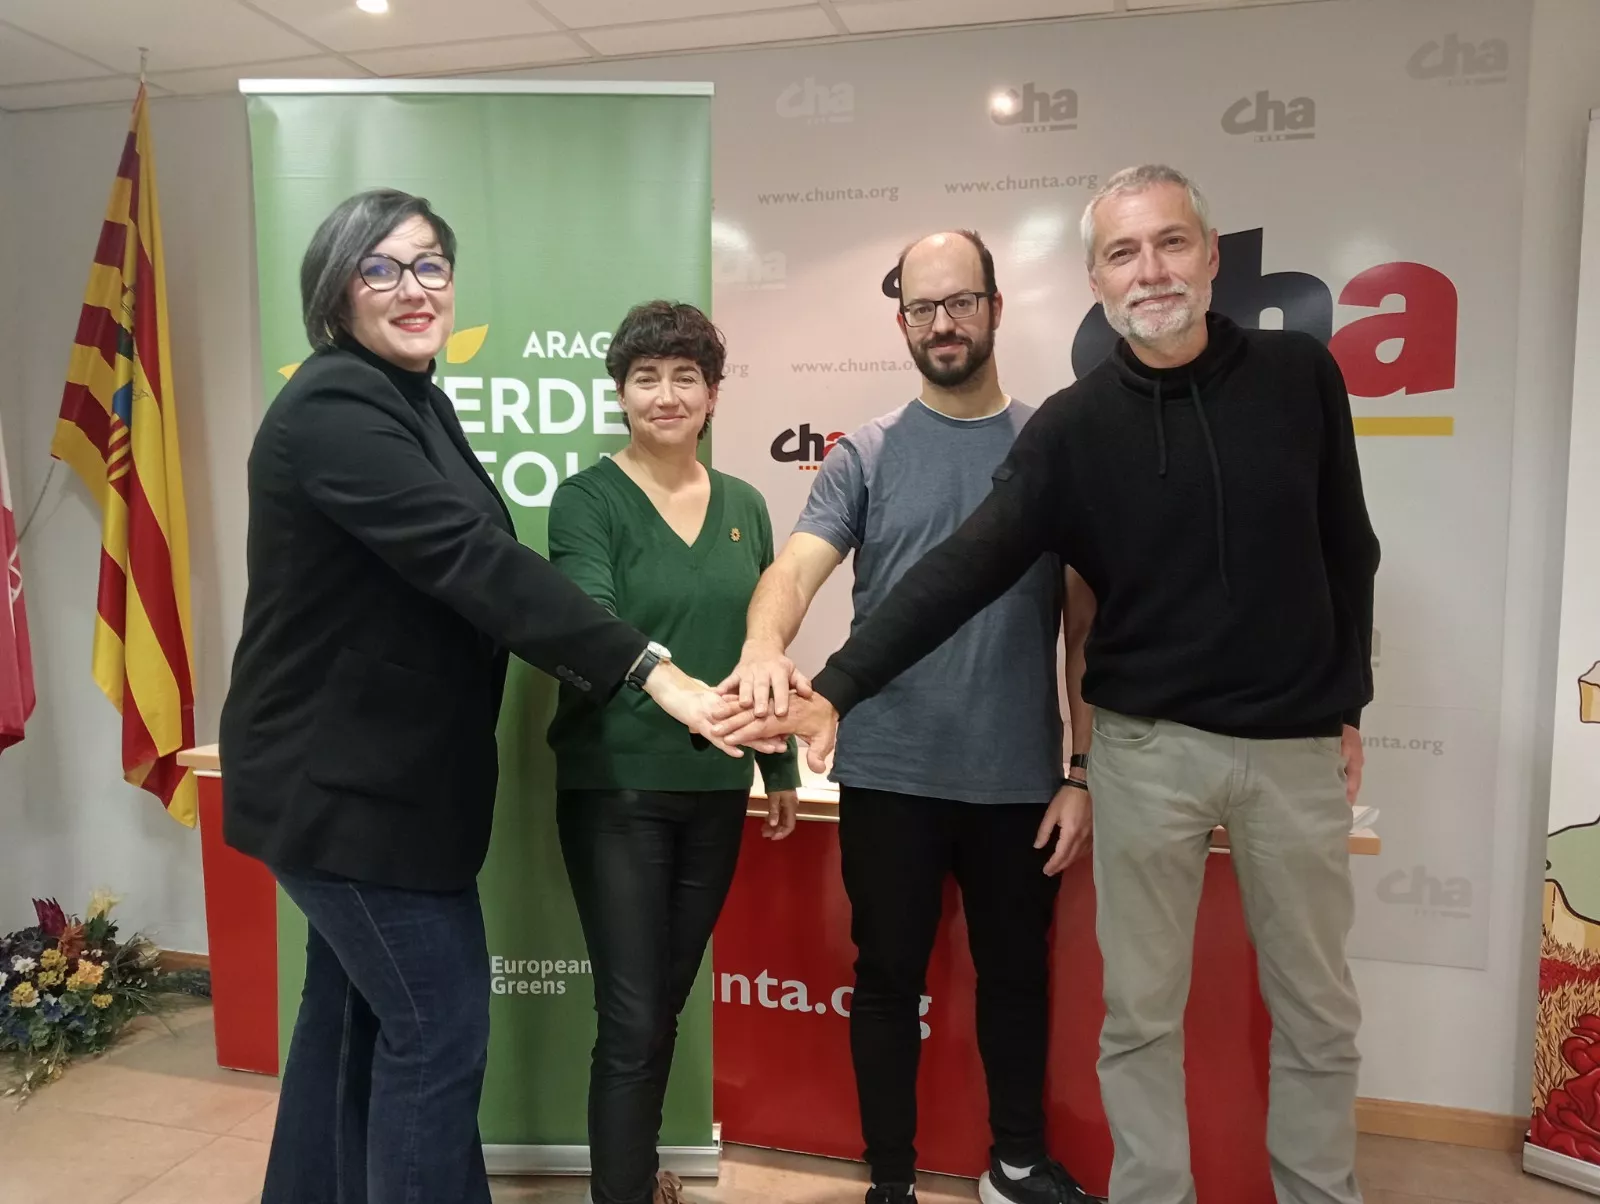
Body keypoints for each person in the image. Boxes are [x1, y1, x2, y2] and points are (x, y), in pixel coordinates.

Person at [718, 165, 1380, 1204]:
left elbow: (1345, 544)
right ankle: (944, 1182)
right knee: (1100, 1012)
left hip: (1199, 753)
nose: (1150, 270)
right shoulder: (1026, 434)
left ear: (1210, 257)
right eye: (1123, 252)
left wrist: (1344, 702)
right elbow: (943, 570)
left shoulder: (1287, 377)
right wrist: (824, 681)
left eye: (1169, 244)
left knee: (1307, 1013)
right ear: (1092, 279)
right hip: (1059, 756)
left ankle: (1087, 1167)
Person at [219, 190, 772, 1204]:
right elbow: (473, 559)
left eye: (429, 264)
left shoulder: (412, 396)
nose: (413, 287)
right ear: (335, 289)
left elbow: (478, 559)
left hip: (390, 794)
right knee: (436, 1036)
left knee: (350, 1029)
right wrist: (654, 669)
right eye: (379, 268)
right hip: (344, 796)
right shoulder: (335, 405)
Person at [720, 231, 1097, 1204]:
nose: (943, 323)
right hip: (888, 770)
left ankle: (1014, 1163)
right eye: (923, 307)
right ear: (901, 321)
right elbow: (795, 569)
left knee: (1016, 979)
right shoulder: (868, 453)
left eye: (960, 302)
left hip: (1018, 778)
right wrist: (765, 645)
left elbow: (1081, 629)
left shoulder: (1048, 451)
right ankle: (888, 1179)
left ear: (996, 309)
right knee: (886, 977)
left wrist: (1081, 768)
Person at [545, 300, 802, 1204]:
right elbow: (591, 624)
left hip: (716, 785)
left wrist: (776, 766)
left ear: (713, 394)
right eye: (646, 377)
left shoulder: (744, 504)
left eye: (684, 376)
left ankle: (639, 1172)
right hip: (615, 787)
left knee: (665, 1004)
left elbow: (757, 648)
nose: (666, 394)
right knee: (630, 1015)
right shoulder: (586, 500)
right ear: (620, 393)